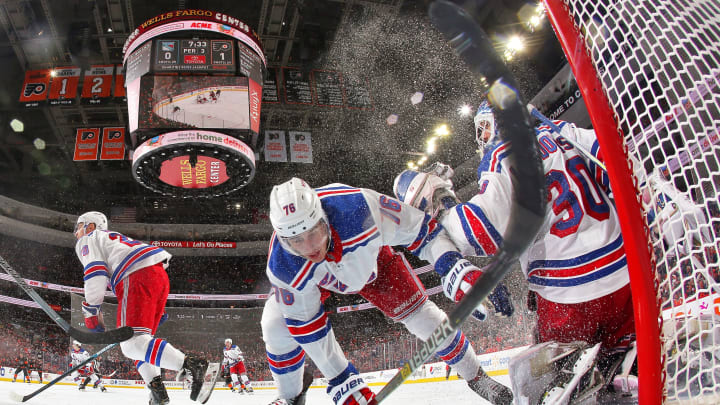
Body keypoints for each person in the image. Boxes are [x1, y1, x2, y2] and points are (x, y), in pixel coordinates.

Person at [393, 102, 636, 404]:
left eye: (484, 127)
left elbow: (479, 232)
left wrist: (441, 207)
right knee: (619, 360)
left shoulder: (502, 155)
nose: (482, 137)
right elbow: (619, 165)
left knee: (550, 382)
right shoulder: (564, 132)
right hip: (627, 275)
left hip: (570, 292)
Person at [261, 177, 514, 405]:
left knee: (428, 321)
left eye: (313, 233)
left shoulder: (360, 207)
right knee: (273, 323)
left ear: (323, 218)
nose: (309, 248)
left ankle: (476, 376)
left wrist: (455, 267)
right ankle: (290, 397)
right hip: (319, 281)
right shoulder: (282, 264)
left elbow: (424, 233)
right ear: (284, 240)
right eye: (296, 241)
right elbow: (308, 327)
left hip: (370, 265)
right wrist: (343, 382)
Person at [72, 211, 208, 405]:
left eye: (78, 227)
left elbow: (95, 274)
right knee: (139, 344)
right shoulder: (111, 240)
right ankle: (156, 389)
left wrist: (91, 311)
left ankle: (192, 365)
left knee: (132, 344)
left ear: (90, 226)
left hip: (136, 274)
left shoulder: (89, 239)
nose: (76, 232)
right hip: (156, 275)